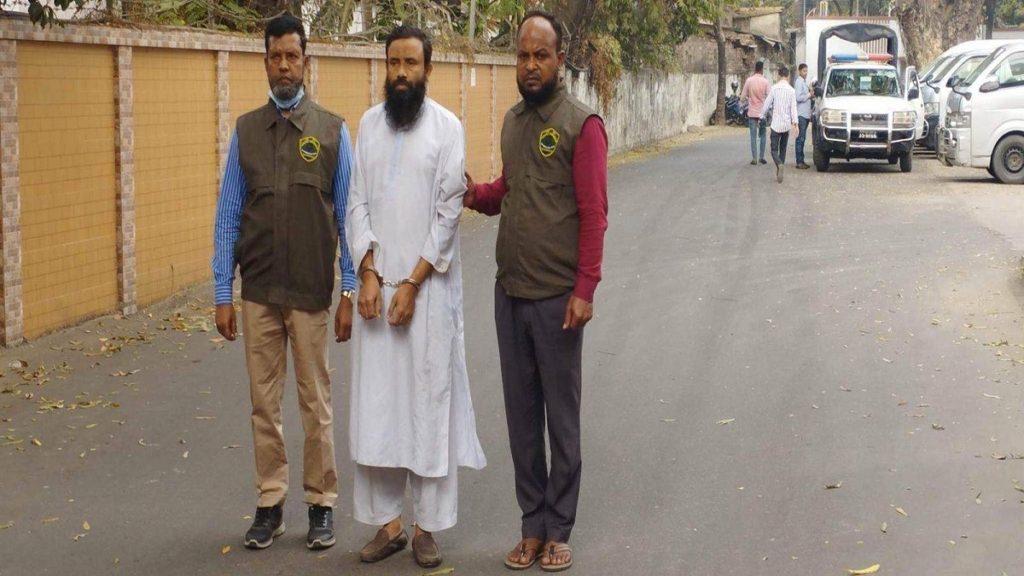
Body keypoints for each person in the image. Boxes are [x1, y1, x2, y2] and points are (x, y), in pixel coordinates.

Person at [464, 9, 608, 573]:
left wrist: (585, 288)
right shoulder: (513, 121)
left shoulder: (581, 125)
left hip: (557, 299)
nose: (530, 65)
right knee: (522, 419)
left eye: (540, 55)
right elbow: (512, 188)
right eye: (522, 55)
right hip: (511, 293)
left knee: (560, 419)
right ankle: (531, 525)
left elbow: (594, 213)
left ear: (560, 60)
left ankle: (559, 528)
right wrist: (476, 195)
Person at [211, 13, 355, 551]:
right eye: (275, 57)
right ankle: (270, 502)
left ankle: (321, 504)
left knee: (315, 402)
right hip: (260, 293)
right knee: (263, 403)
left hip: (312, 292)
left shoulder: (333, 131)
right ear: (266, 63)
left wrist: (347, 289)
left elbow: (349, 218)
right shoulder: (246, 132)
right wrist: (223, 292)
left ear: (305, 61)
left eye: (292, 56)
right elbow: (228, 215)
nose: (284, 66)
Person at [345, 25, 486, 570]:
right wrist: (368, 272)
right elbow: (355, 203)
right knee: (379, 409)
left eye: (410, 63)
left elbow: (448, 213)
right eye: (393, 63)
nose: (401, 73)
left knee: (429, 409)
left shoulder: (447, 128)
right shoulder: (367, 125)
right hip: (377, 293)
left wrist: (412, 283)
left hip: (428, 296)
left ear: (428, 68)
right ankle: (388, 524)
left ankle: (427, 528)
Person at [761, 65, 799, 184]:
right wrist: (795, 123)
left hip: (776, 124)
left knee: (773, 149)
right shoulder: (791, 90)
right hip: (786, 124)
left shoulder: (774, 89)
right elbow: (793, 108)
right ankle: (780, 167)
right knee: (783, 148)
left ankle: (779, 164)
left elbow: (767, 104)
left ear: (779, 75)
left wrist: (761, 116)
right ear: (788, 76)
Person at [740, 60, 771, 165]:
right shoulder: (765, 82)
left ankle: (754, 158)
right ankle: (762, 157)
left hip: (752, 112)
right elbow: (769, 97)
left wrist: (745, 99)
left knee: (753, 136)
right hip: (762, 113)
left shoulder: (749, 81)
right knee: (763, 135)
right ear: (762, 70)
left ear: (755, 69)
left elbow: (742, 97)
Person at [794, 63, 812, 169]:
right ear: (799, 71)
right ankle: (799, 161)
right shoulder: (799, 82)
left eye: (806, 71)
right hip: (801, 114)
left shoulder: (804, 82)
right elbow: (798, 97)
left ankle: (801, 160)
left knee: (802, 138)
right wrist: (809, 94)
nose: (806, 73)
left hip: (805, 114)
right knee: (800, 138)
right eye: (804, 71)